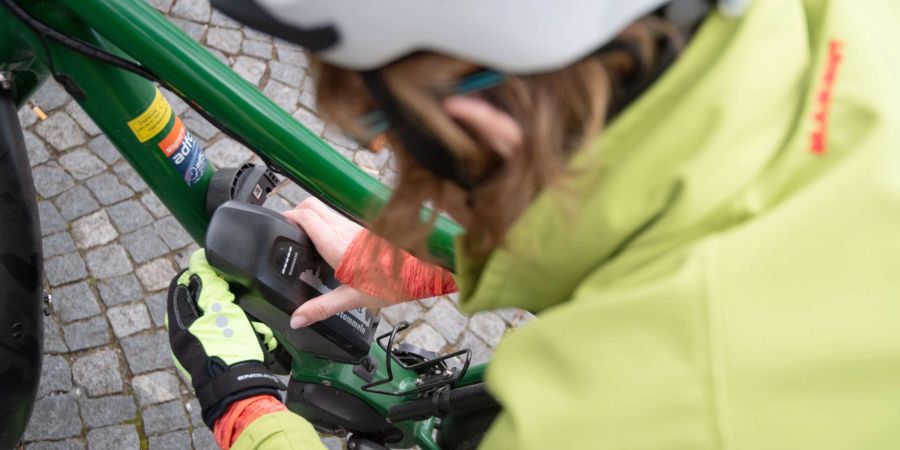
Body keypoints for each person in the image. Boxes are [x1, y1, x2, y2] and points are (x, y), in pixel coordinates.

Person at [166, 0, 900, 448]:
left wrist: (245, 408)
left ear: (483, 124)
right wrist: (419, 262)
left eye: (379, 127)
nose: (385, 153)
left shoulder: (639, 421)